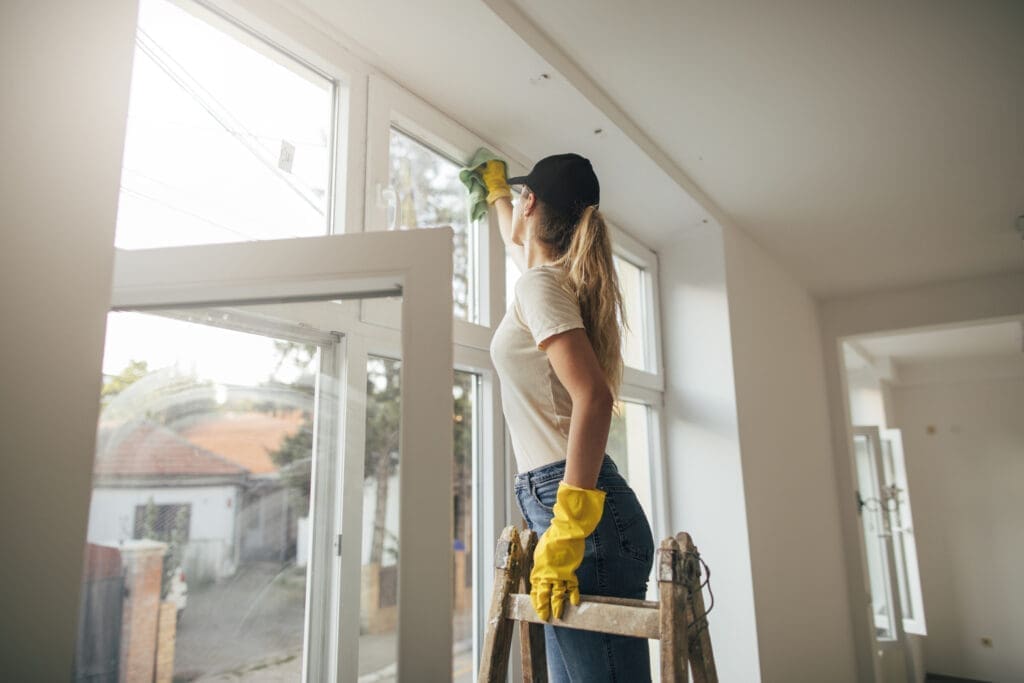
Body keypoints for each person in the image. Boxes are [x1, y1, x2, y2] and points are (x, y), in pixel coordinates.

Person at [481, 153, 655, 682]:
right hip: (581, 512)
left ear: (530, 204)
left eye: (516, 199)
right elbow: (524, 255)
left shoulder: (541, 287)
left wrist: (568, 528)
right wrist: (494, 196)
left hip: (580, 517)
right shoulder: (548, 282)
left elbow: (595, 399)